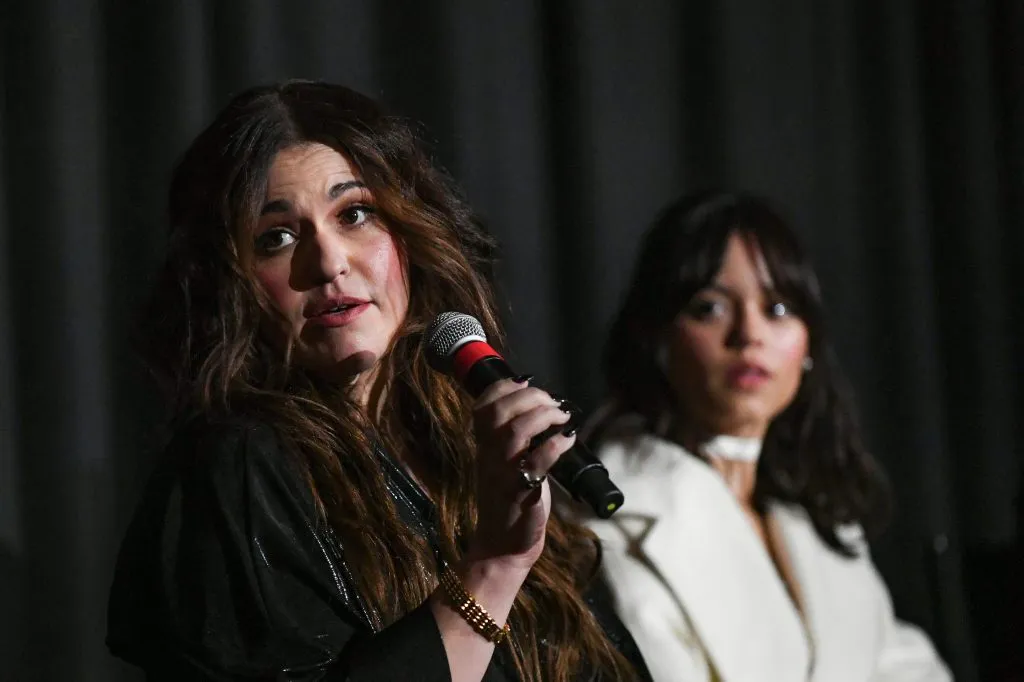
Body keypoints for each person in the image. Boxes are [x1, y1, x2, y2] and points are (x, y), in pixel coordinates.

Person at [106, 80, 651, 682]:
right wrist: (494, 565)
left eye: (355, 214)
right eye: (277, 237)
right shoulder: (237, 469)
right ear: (231, 284)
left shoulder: (466, 444)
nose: (329, 262)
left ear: (411, 237)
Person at [581, 191, 951, 681]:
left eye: (777, 308)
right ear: (657, 337)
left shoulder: (822, 521)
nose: (749, 334)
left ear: (809, 346)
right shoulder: (603, 518)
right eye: (710, 307)